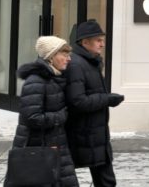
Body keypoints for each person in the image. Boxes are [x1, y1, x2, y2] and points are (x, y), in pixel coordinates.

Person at [9, 36, 79, 187]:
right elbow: (32, 117)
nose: (68, 59)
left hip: (54, 144)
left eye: (68, 55)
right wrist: (60, 117)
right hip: (39, 148)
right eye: (64, 55)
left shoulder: (54, 78)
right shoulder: (36, 81)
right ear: (51, 57)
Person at [65, 20, 124, 187]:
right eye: (98, 40)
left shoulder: (90, 62)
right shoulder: (76, 64)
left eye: (102, 40)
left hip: (95, 131)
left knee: (105, 179)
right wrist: (107, 99)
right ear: (84, 42)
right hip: (85, 132)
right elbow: (77, 101)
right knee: (106, 181)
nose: (102, 44)